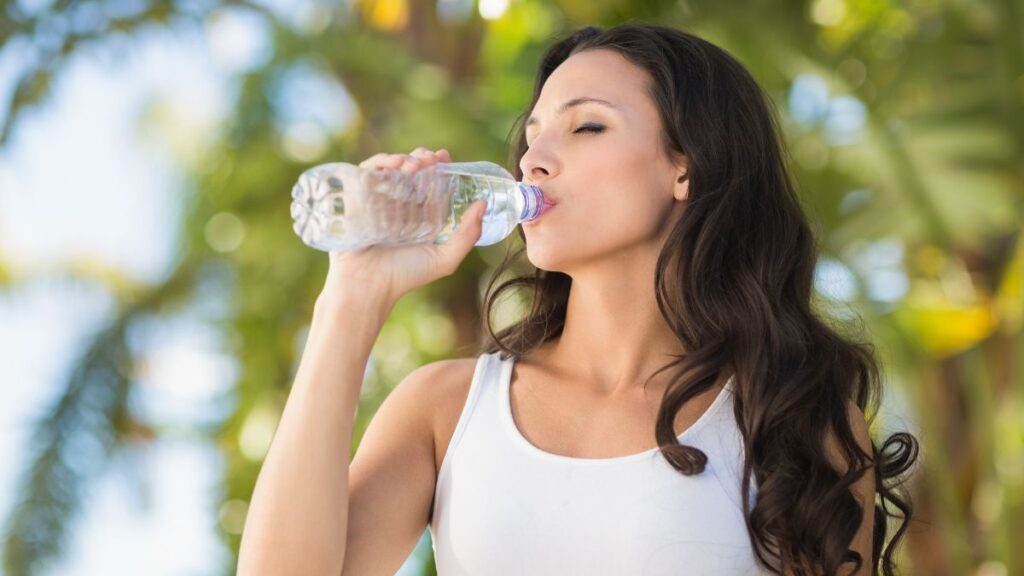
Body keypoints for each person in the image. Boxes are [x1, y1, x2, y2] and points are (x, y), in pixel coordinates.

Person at [237, 23, 918, 576]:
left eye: (585, 127)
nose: (532, 160)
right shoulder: (446, 410)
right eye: (532, 135)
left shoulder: (792, 420)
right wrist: (351, 298)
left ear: (687, 165)